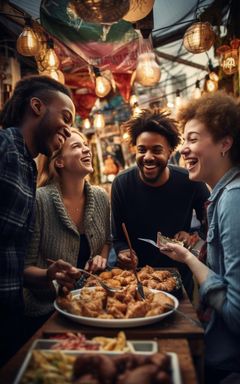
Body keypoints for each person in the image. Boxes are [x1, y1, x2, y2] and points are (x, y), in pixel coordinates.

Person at [158, 92, 240, 383]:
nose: (183, 150)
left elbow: (235, 312)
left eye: (193, 139)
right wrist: (194, 250)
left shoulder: (232, 199)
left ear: (225, 144)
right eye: (184, 141)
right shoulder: (222, 196)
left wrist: (191, 260)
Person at [0, 75, 75, 365]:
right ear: (37, 106)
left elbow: (10, 259)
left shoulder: (28, 168)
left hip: (9, 316)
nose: (69, 131)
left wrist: (46, 275)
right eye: (66, 117)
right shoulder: (5, 146)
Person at [111, 109, 210, 297]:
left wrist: (194, 237)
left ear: (170, 151)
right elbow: (117, 235)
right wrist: (123, 251)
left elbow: (211, 225)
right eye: (142, 150)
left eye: (156, 150)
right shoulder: (121, 184)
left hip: (179, 281)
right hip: (136, 282)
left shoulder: (190, 181)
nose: (148, 157)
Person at [23, 128, 111, 333]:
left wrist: (101, 257)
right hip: (43, 314)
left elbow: (107, 240)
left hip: (91, 307)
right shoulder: (39, 201)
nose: (86, 149)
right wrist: (48, 275)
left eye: (85, 145)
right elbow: (23, 268)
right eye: (76, 146)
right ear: (59, 162)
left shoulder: (101, 197)